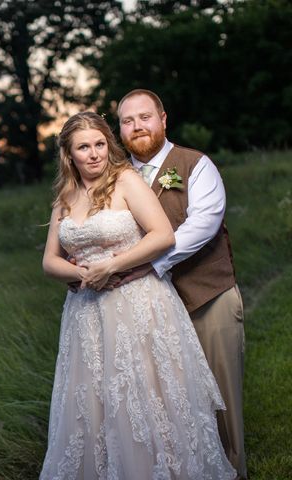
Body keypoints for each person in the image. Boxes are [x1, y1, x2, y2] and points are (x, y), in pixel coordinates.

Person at [39, 111, 236, 479]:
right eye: (84, 147)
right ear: (69, 154)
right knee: (96, 405)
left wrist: (112, 267)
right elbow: (49, 261)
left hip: (137, 304)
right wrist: (81, 272)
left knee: (147, 396)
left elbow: (162, 235)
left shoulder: (127, 181)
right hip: (86, 314)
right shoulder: (65, 197)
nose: (94, 153)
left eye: (100, 144)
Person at [114, 89, 246, 479]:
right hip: (146, 308)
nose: (138, 126)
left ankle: (235, 472)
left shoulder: (195, 164)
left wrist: (149, 264)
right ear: (119, 128)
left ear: (163, 119)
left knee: (221, 399)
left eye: (145, 117)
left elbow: (204, 223)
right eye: (127, 120)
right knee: (166, 401)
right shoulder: (116, 175)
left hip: (207, 298)